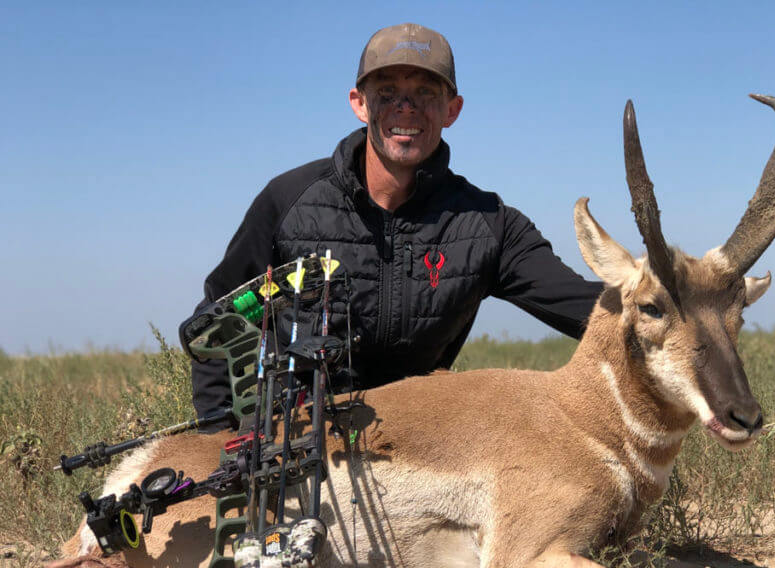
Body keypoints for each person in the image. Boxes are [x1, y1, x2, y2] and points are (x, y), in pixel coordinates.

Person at [189, 23, 602, 426]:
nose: (406, 108)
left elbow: (591, 309)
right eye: (387, 93)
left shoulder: (489, 224)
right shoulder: (288, 201)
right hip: (300, 444)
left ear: (452, 110)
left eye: (425, 93)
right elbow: (216, 321)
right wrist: (219, 432)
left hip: (420, 446)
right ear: (359, 102)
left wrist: (658, 295)